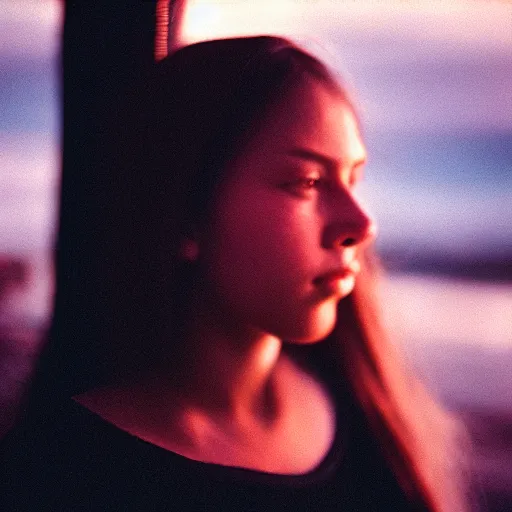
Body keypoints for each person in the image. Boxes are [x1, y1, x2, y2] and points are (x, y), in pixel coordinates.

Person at [0, 35, 474, 511]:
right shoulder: (64, 473)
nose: (361, 225)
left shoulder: (364, 411)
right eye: (307, 182)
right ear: (185, 212)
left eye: (352, 179)